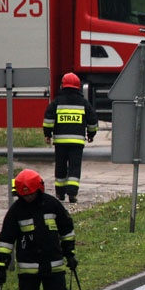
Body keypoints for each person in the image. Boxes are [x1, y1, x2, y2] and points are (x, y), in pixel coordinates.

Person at [0, 169, 78, 290]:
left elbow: (67, 230)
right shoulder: (16, 212)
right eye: (24, 195)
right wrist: (1, 267)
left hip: (54, 267)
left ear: (38, 190)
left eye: (31, 194)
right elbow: (6, 240)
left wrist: (70, 254)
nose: (28, 198)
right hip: (28, 271)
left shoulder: (52, 205)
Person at [43, 72, 98, 203]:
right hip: (77, 143)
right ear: (78, 87)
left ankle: (60, 194)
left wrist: (47, 134)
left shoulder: (57, 102)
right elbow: (92, 121)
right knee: (74, 167)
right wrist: (91, 134)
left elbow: (48, 119)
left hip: (60, 142)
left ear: (63, 86)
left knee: (60, 166)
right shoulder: (83, 103)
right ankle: (72, 194)